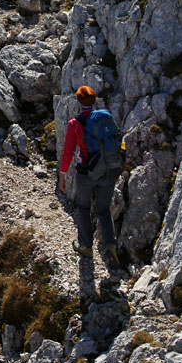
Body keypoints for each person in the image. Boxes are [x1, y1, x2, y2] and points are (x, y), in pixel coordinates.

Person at [58, 85, 119, 267]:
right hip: (108, 170)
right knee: (103, 209)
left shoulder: (74, 124)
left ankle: (85, 246)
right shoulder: (105, 118)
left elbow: (68, 152)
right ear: (94, 102)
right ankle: (110, 245)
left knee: (83, 208)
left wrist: (62, 177)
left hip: (86, 172)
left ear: (77, 102)